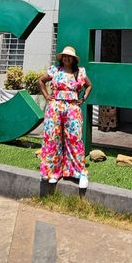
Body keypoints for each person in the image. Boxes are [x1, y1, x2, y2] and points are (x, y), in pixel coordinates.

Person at [38, 46, 92, 188]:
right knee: (53, 139)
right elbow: (41, 81)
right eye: (64, 56)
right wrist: (46, 96)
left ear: (73, 59)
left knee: (74, 139)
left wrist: (84, 98)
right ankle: (53, 172)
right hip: (54, 107)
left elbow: (89, 85)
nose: (67, 58)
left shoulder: (80, 72)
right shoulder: (55, 70)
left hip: (73, 108)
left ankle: (80, 173)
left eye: (69, 57)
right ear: (62, 58)